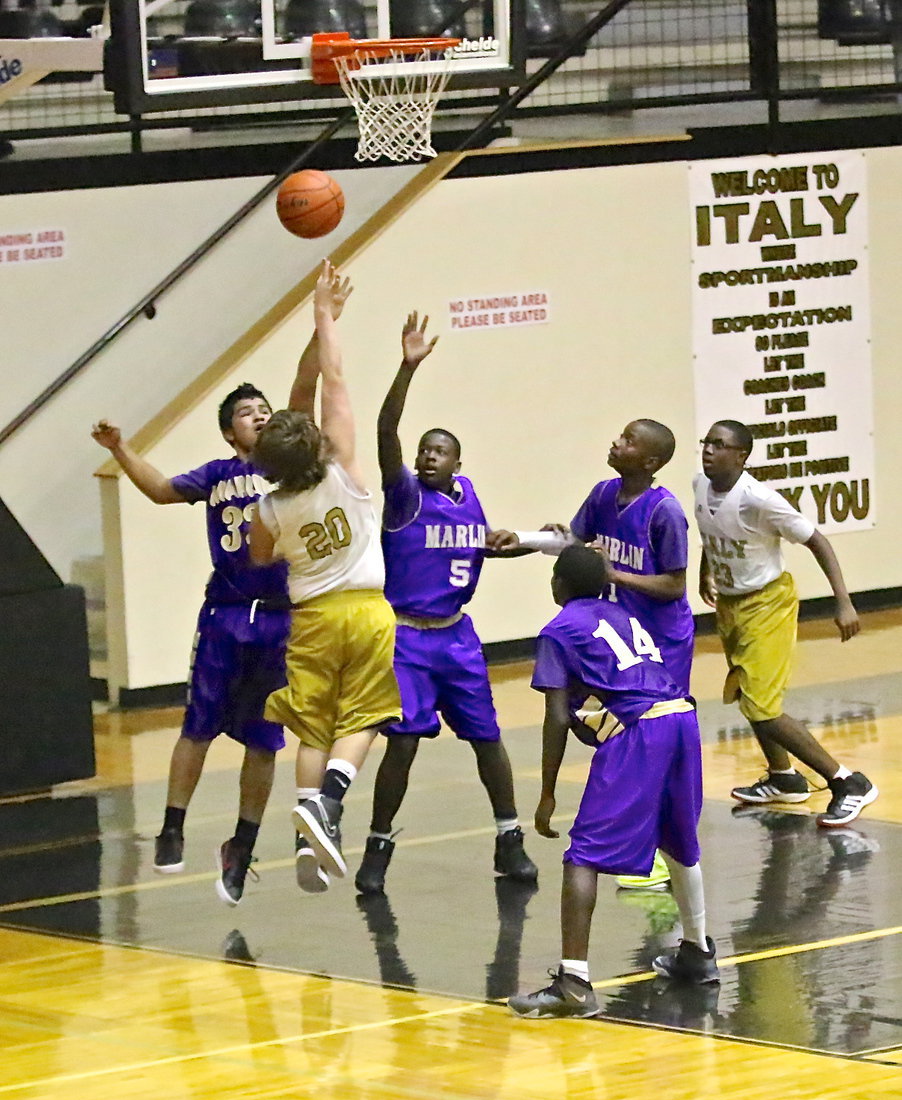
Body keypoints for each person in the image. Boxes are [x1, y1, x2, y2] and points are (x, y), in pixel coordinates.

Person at [90, 270, 352, 907]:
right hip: (227, 613)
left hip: (282, 619)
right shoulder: (219, 474)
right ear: (230, 434)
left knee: (264, 739)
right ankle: (173, 825)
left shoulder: (293, 468)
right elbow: (157, 490)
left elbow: (305, 383)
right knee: (199, 724)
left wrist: (326, 319)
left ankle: (242, 842)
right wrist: (122, 449)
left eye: (266, 412)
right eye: (246, 414)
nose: (260, 418)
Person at [354, 313, 538, 895]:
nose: (428, 457)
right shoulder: (404, 496)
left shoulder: (469, 499)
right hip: (406, 637)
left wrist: (514, 546)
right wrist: (406, 368)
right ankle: (379, 844)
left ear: (457, 463)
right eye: (424, 451)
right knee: (403, 743)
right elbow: (387, 434)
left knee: (489, 739)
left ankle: (510, 840)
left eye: (440, 452)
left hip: (457, 636)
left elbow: (472, 549)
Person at [508, 545, 718, 1019]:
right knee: (680, 842)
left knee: (583, 854)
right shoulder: (621, 614)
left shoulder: (558, 630)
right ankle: (697, 951)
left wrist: (546, 792)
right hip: (682, 717)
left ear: (558, 585)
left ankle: (574, 982)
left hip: (643, 731)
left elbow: (557, 716)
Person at [249, 260, 401, 894]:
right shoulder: (342, 471)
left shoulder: (269, 506)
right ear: (316, 448)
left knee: (311, 724)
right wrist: (323, 316)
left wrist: (318, 320)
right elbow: (331, 381)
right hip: (367, 611)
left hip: (311, 616)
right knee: (363, 717)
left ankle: (307, 839)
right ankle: (328, 804)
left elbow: (260, 560)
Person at [491, 418, 693, 891]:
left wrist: (615, 574)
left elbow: (675, 583)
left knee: (652, 742)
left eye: (627, 441)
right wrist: (523, 539)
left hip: (661, 639)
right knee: (608, 732)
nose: (615, 442)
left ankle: (659, 850)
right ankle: (641, 836)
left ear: (650, 461)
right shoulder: (604, 493)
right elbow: (575, 545)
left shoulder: (665, 513)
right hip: (616, 634)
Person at [696, 419, 878, 827]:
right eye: (706, 442)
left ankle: (849, 782)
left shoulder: (759, 499)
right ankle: (785, 778)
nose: (709, 449)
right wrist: (706, 570)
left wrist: (844, 602)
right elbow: (711, 532)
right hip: (731, 603)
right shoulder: (700, 486)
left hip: (767, 604)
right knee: (748, 695)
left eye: (719, 444)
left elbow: (818, 541)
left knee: (762, 707)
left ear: (741, 455)